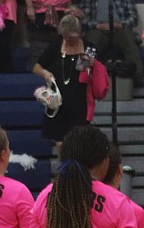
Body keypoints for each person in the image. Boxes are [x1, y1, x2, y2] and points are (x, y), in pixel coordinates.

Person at [33, 14, 110, 148]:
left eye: (73, 37)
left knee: (79, 143)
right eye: (67, 37)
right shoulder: (56, 47)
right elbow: (36, 66)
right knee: (60, 143)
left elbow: (94, 77)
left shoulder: (88, 48)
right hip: (58, 102)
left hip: (80, 102)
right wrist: (44, 72)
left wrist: (93, 65)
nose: (70, 40)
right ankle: (65, 168)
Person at [81, 0, 142, 81]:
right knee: (90, 42)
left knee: (128, 38)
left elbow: (133, 18)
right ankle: (83, 76)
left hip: (119, 30)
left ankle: (137, 77)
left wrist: (120, 25)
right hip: (98, 30)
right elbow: (82, 20)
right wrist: (97, 26)